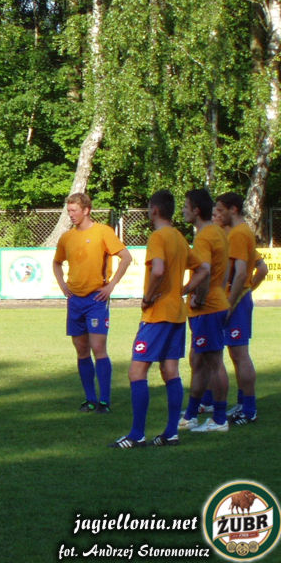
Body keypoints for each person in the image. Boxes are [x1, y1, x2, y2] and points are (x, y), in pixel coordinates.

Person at [110, 190, 207, 448]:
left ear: (154, 210)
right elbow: (204, 269)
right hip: (177, 314)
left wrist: (148, 297)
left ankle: (137, 435)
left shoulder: (158, 236)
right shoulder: (178, 237)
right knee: (170, 371)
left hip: (157, 315)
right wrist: (184, 290)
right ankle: (171, 432)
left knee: (137, 371)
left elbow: (158, 270)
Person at [53, 193, 132, 413]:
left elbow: (126, 257)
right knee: (81, 350)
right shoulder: (67, 237)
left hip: (96, 299)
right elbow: (56, 263)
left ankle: (104, 401)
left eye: (74, 210)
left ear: (86, 210)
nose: (71, 214)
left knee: (98, 348)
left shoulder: (103, 232)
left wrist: (111, 285)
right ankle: (90, 399)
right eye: (69, 211)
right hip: (75, 300)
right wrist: (63, 285)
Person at [177, 189, 230, 433]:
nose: (183, 210)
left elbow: (204, 270)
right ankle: (190, 415)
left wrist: (193, 293)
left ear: (196, 210)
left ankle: (219, 419)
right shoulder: (218, 232)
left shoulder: (204, 236)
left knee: (214, 363)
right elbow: (224, 271)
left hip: (207, 308)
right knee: (199, 362)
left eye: (186, 206)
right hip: (215, 303)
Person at [214, 192, 267, 426]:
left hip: (234, 301)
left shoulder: (237, 234)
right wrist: (247, 290)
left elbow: (239, 274)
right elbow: (260, 269)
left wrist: (232, 301)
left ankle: (249, 409)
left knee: (240, 354)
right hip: (239, 298)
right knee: (236, 354)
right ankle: (243, 403)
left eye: (220, 210)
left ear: (233, 209)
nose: (217, 214)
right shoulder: (242, 232)